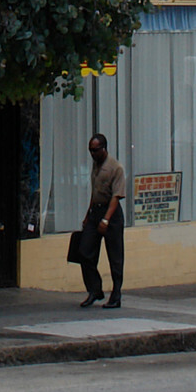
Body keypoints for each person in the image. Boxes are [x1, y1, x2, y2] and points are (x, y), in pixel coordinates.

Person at [78, 132, 126, 309]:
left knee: (115, 256)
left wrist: (106, 220)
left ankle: (116, 294)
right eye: (90, 150)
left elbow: (116, 196)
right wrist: (88, 214)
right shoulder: (95, 166)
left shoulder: (115, 167)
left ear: (104, 149)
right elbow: (95, 192)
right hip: (95, 210)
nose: (92, 154)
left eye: (95, 150)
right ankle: (95, 289)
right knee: (84, 251)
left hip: (111, 213)